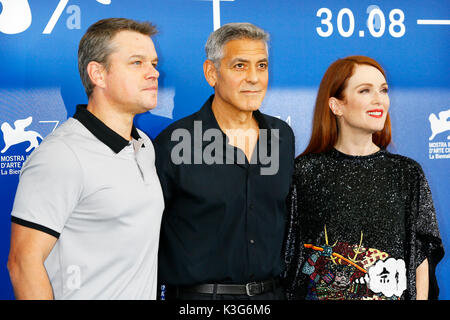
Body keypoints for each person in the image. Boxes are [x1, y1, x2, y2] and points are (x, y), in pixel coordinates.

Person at [7, 18, 164, 300]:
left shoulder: (144, 146)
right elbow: (22, 264)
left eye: (153, 63)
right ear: (98, 74)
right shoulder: (61, 155)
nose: (154, 73)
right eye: (137, 63)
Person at [283, 56, 444, 300]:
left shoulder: (407, 174)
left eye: (383, 90)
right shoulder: (304, 172)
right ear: (337, 106)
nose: (379, 99)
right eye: (365, 90)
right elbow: (291, 258)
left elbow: (420, 259)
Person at [154, 22, 295, 300]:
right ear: (211, 73)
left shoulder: (282, 137)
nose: (254, 78)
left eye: (262, 66)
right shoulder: (174, 142)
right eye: (240, 66)